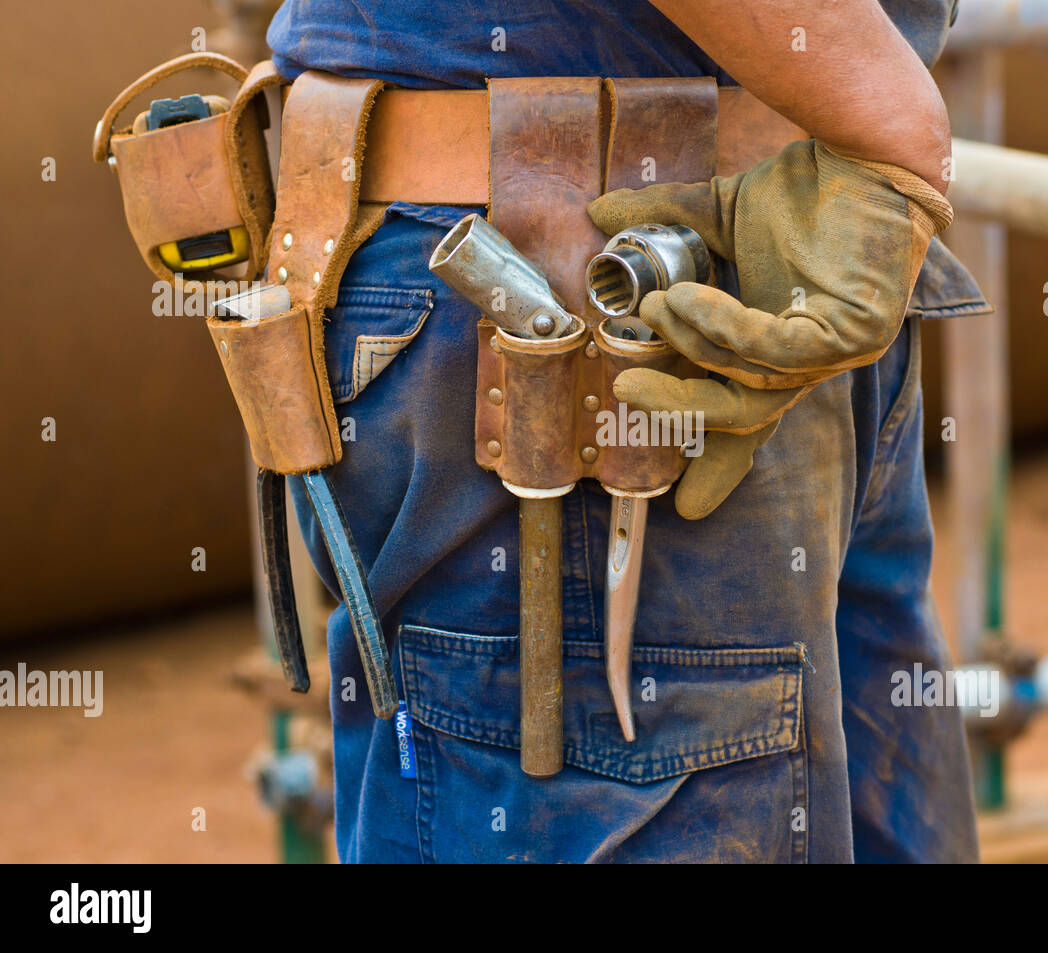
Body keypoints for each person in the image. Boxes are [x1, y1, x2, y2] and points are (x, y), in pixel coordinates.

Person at [268, 0, 984, 863]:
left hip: (806, 233)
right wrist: (899, 132)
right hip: (558, 265)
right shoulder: (883, 125)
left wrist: (880, 147)